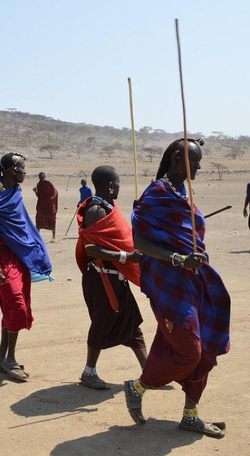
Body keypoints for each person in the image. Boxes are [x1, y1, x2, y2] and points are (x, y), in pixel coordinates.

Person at [124, 138, 230, 439]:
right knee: (188, 350)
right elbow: (140, 242)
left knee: (206, 344)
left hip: (193, 280)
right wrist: (179, 257)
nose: (198, 167)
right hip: (168, 284)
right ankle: (138, 387)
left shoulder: (182, 191)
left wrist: (190, 258)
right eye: (194, 161)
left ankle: (190, 414)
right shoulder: (157, 193)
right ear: (175, 159)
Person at [0, 153, 52, 382]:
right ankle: (10, 359)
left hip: (17, 255)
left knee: (11, 306)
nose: (24, 172)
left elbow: (21, 225)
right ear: (10, 170)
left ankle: (2, 358)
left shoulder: (15, 192)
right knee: (16, 305)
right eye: (21, 169)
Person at [75, 165, 146, 389]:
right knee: (102, 323)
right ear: (109, 185)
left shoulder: (110, 207)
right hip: (101, 277)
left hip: (118, 277)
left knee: (132, 322)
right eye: (117, 185)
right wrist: (126, 257)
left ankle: (150, 373)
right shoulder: (95, 211)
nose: (118, 188)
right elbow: (91, 249)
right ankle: (89, 372)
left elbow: (121, 236)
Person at [33, 172, 59, 242]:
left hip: (49, 206)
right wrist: (35, 192)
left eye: (42, 177)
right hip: (42, 205)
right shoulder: (38, 185)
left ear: (44, 177)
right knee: (39, 219)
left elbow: (55, 192)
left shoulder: (48, 184)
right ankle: (37, 236)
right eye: (40, 177)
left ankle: (54, 237)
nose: (41, 178)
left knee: (52, 220)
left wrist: (51, 199)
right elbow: (39, 197)